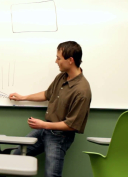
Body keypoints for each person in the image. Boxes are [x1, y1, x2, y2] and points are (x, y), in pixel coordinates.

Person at [9, 41, 92, 177]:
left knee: (51, 175)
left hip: (60, 137)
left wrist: (43, 124)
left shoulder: (82, 90)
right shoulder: (61, 77)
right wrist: (22, 97)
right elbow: (47, 94)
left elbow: (72, 125)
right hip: (45, 130)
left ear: (70, 60)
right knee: (17, 155)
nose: (56, 61)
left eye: (59, 58)